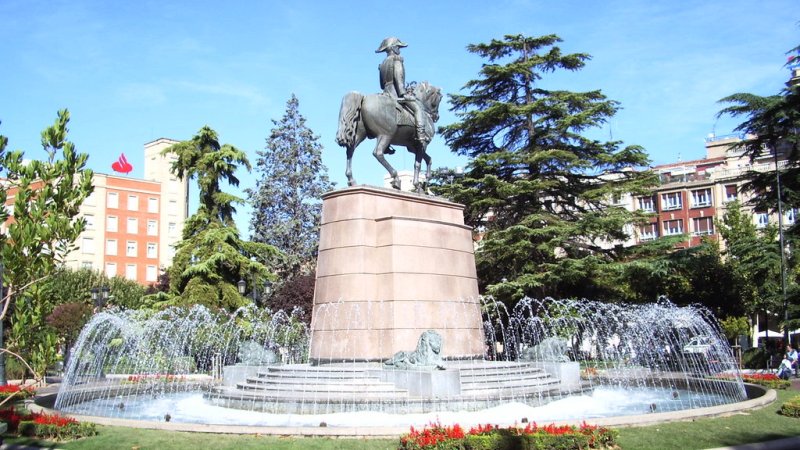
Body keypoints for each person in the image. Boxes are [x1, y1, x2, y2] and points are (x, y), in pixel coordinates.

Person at [375, 37, 429, 147]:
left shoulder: (382, 64)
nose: (399, 49)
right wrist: (404, 93)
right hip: (395, 94)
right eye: (398, 47)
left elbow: (381, 85)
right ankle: (421, 135)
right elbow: (398, 79)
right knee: (418, 108)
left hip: (385, 92)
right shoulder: (397, 59)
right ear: (393, 48)